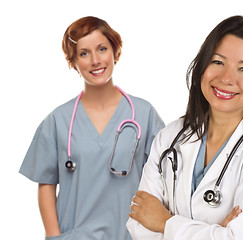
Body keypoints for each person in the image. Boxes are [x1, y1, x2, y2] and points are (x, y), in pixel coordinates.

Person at [126, 15, 243, 239]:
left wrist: (165, 222)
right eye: (217, 62)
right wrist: (217, 232)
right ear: (202, 67)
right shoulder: (170, 137)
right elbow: (139, 223)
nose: (226, 78)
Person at [19, 16, 165, 239]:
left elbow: (165, 178)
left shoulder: (144, 114)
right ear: (73, 62)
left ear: (115, 52)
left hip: (131, 235)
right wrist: (53, 235)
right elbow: (46, 183)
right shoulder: (58, 120)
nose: (95, 60)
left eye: (102, 49)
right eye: (84, 53)